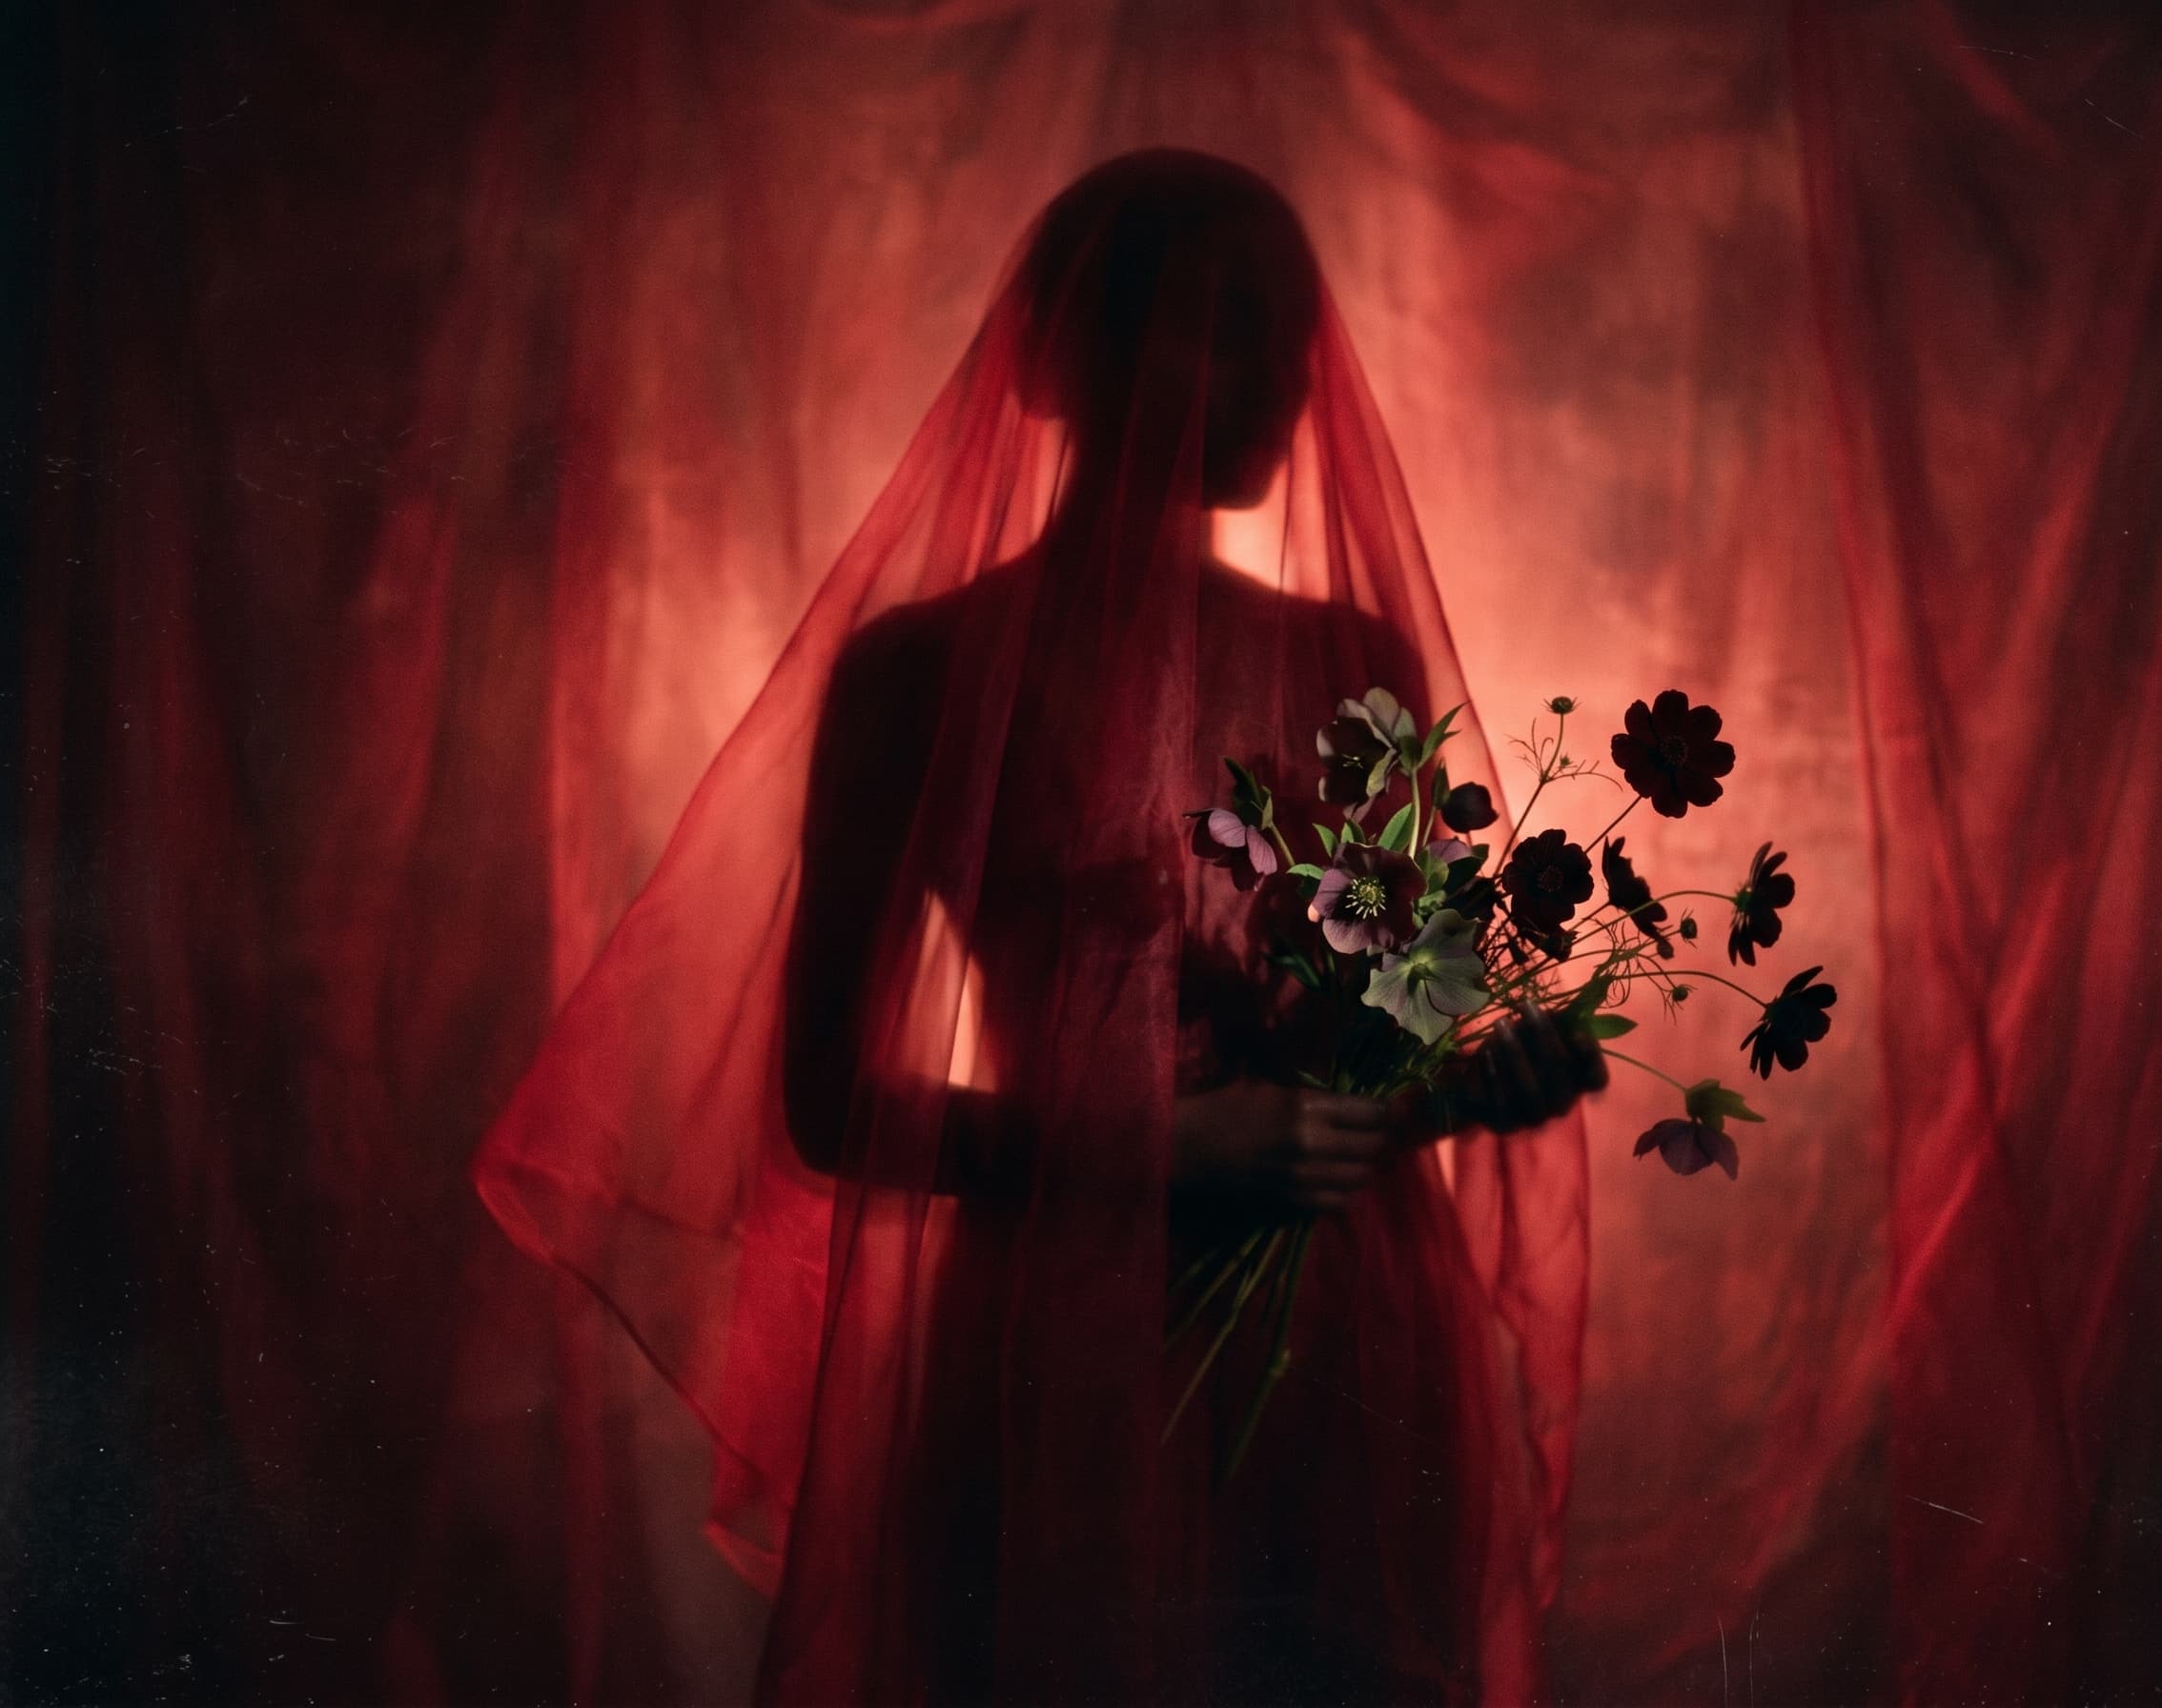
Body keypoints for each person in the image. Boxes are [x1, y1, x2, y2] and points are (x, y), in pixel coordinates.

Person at [477, 149, 1601, 1705]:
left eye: (1291, 332)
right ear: (1073, 359)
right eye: (1224, 326)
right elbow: (826, 1106)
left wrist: (1475, 1072)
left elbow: (1382, 1046)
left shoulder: (1355, 653)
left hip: (1340, 1348)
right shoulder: (919, 674)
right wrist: (1156, 1153)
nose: (1279, 378)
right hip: (1068, 1358)